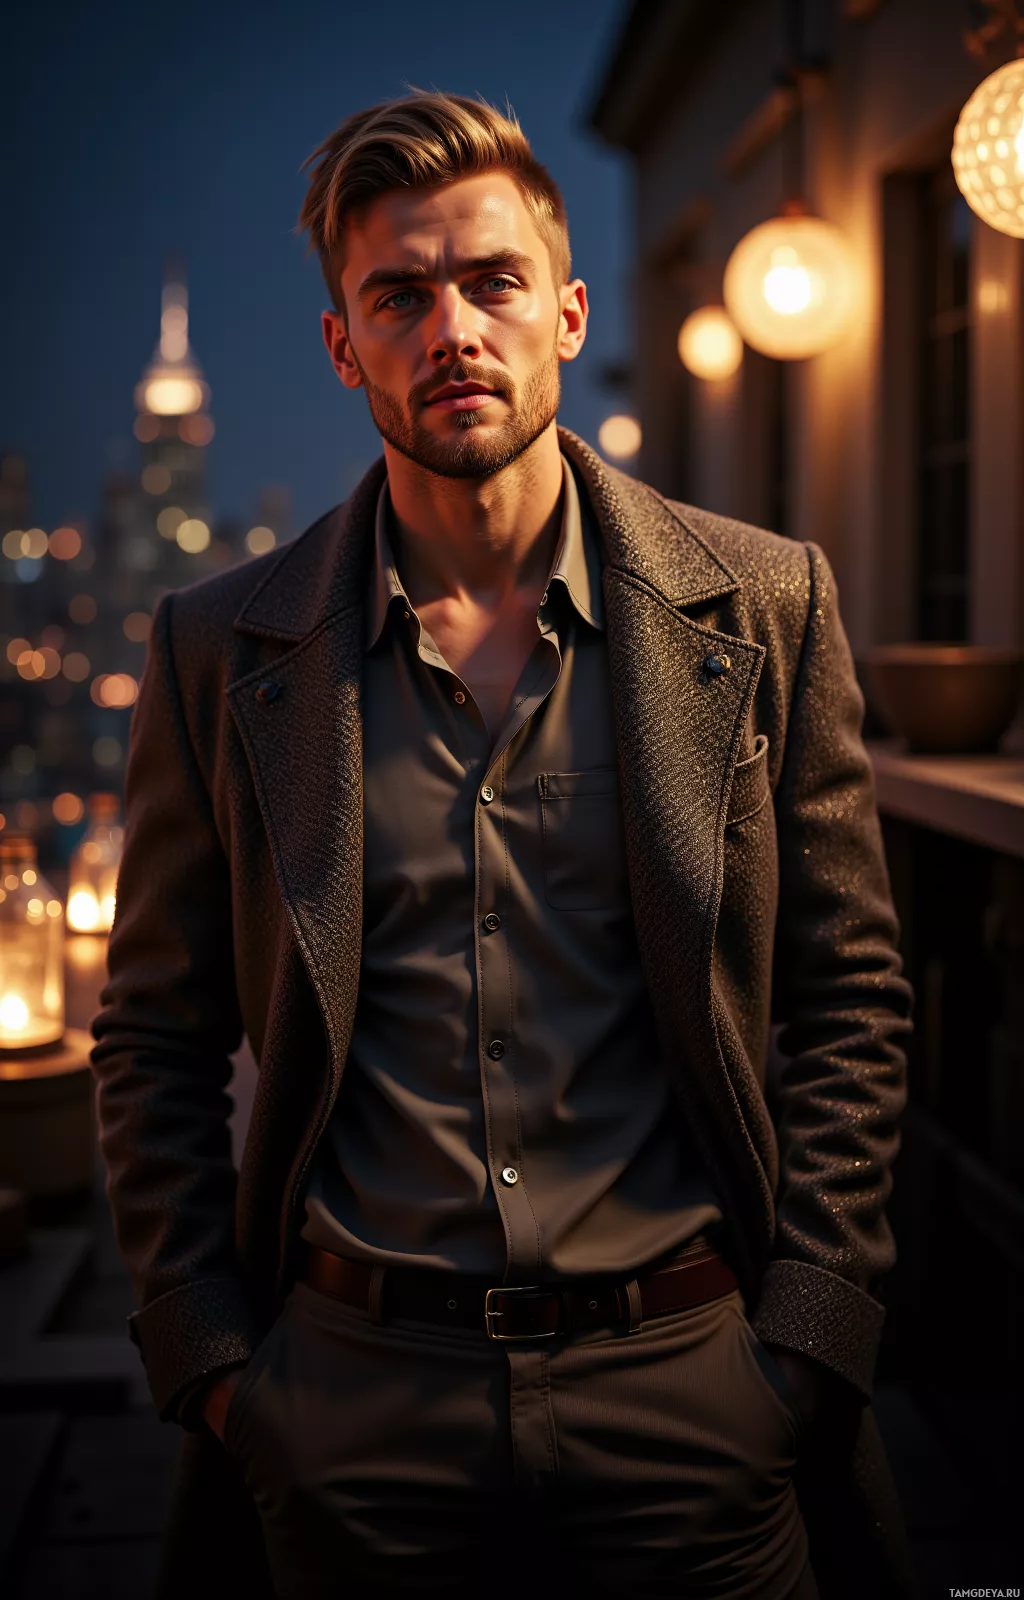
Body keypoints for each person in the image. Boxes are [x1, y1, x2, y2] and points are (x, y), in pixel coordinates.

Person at [90, 90, 916, 1600]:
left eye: (492, 282)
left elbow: (850, 991)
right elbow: (153, 1030)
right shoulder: (221, 649)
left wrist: (808, 1341)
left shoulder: (761, 604)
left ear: (567, 312)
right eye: (399, 297)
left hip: (694, 1392)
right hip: (352, 1408)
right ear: (343, 346)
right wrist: (216, 1367)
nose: (453, 330)